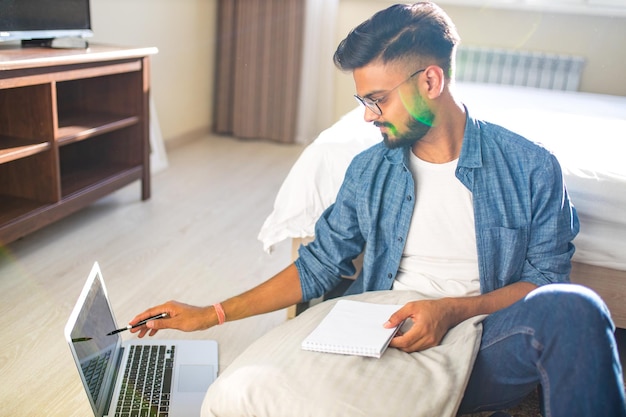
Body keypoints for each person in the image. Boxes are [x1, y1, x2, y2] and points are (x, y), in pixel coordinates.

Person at [131, 2, 626, 415]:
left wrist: (451, 310)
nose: (368, 115)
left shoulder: (531, 167)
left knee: (578, 307)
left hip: (480, 337)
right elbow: (319, 266)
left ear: (431, 81)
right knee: (239, 392)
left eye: (378, 99)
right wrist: (210, 314)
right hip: (377, 334)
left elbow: (543, 283)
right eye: (362, 100)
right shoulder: (369, 169)